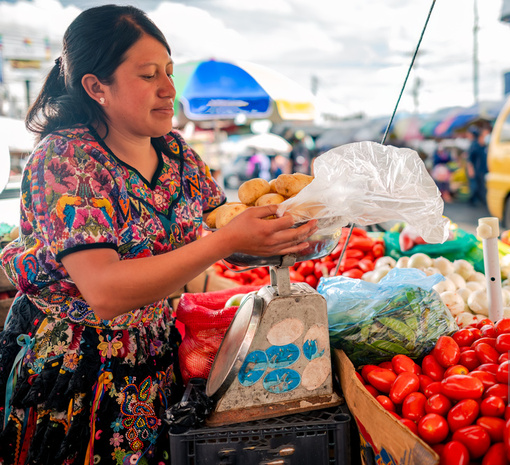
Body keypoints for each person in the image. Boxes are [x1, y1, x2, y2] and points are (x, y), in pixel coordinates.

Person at [0, 5, 316, 464]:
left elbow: (221, 234)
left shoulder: (177, 154)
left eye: (169, 72)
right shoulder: (67, 159)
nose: (170, 88)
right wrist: (227, 242)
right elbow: (105, 291)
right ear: (96, 87)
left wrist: (287, 237)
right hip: (73, 372)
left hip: (157, 359)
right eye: (149, 75)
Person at [467, 126, 490, 207]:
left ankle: (482, 201)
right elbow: (470, 159)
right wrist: (470, 170)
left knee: (482, 188)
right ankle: (472, 201)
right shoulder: (474, 145)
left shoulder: (485, 146)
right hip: (475, 171)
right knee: (475, 187)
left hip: (483, 171)